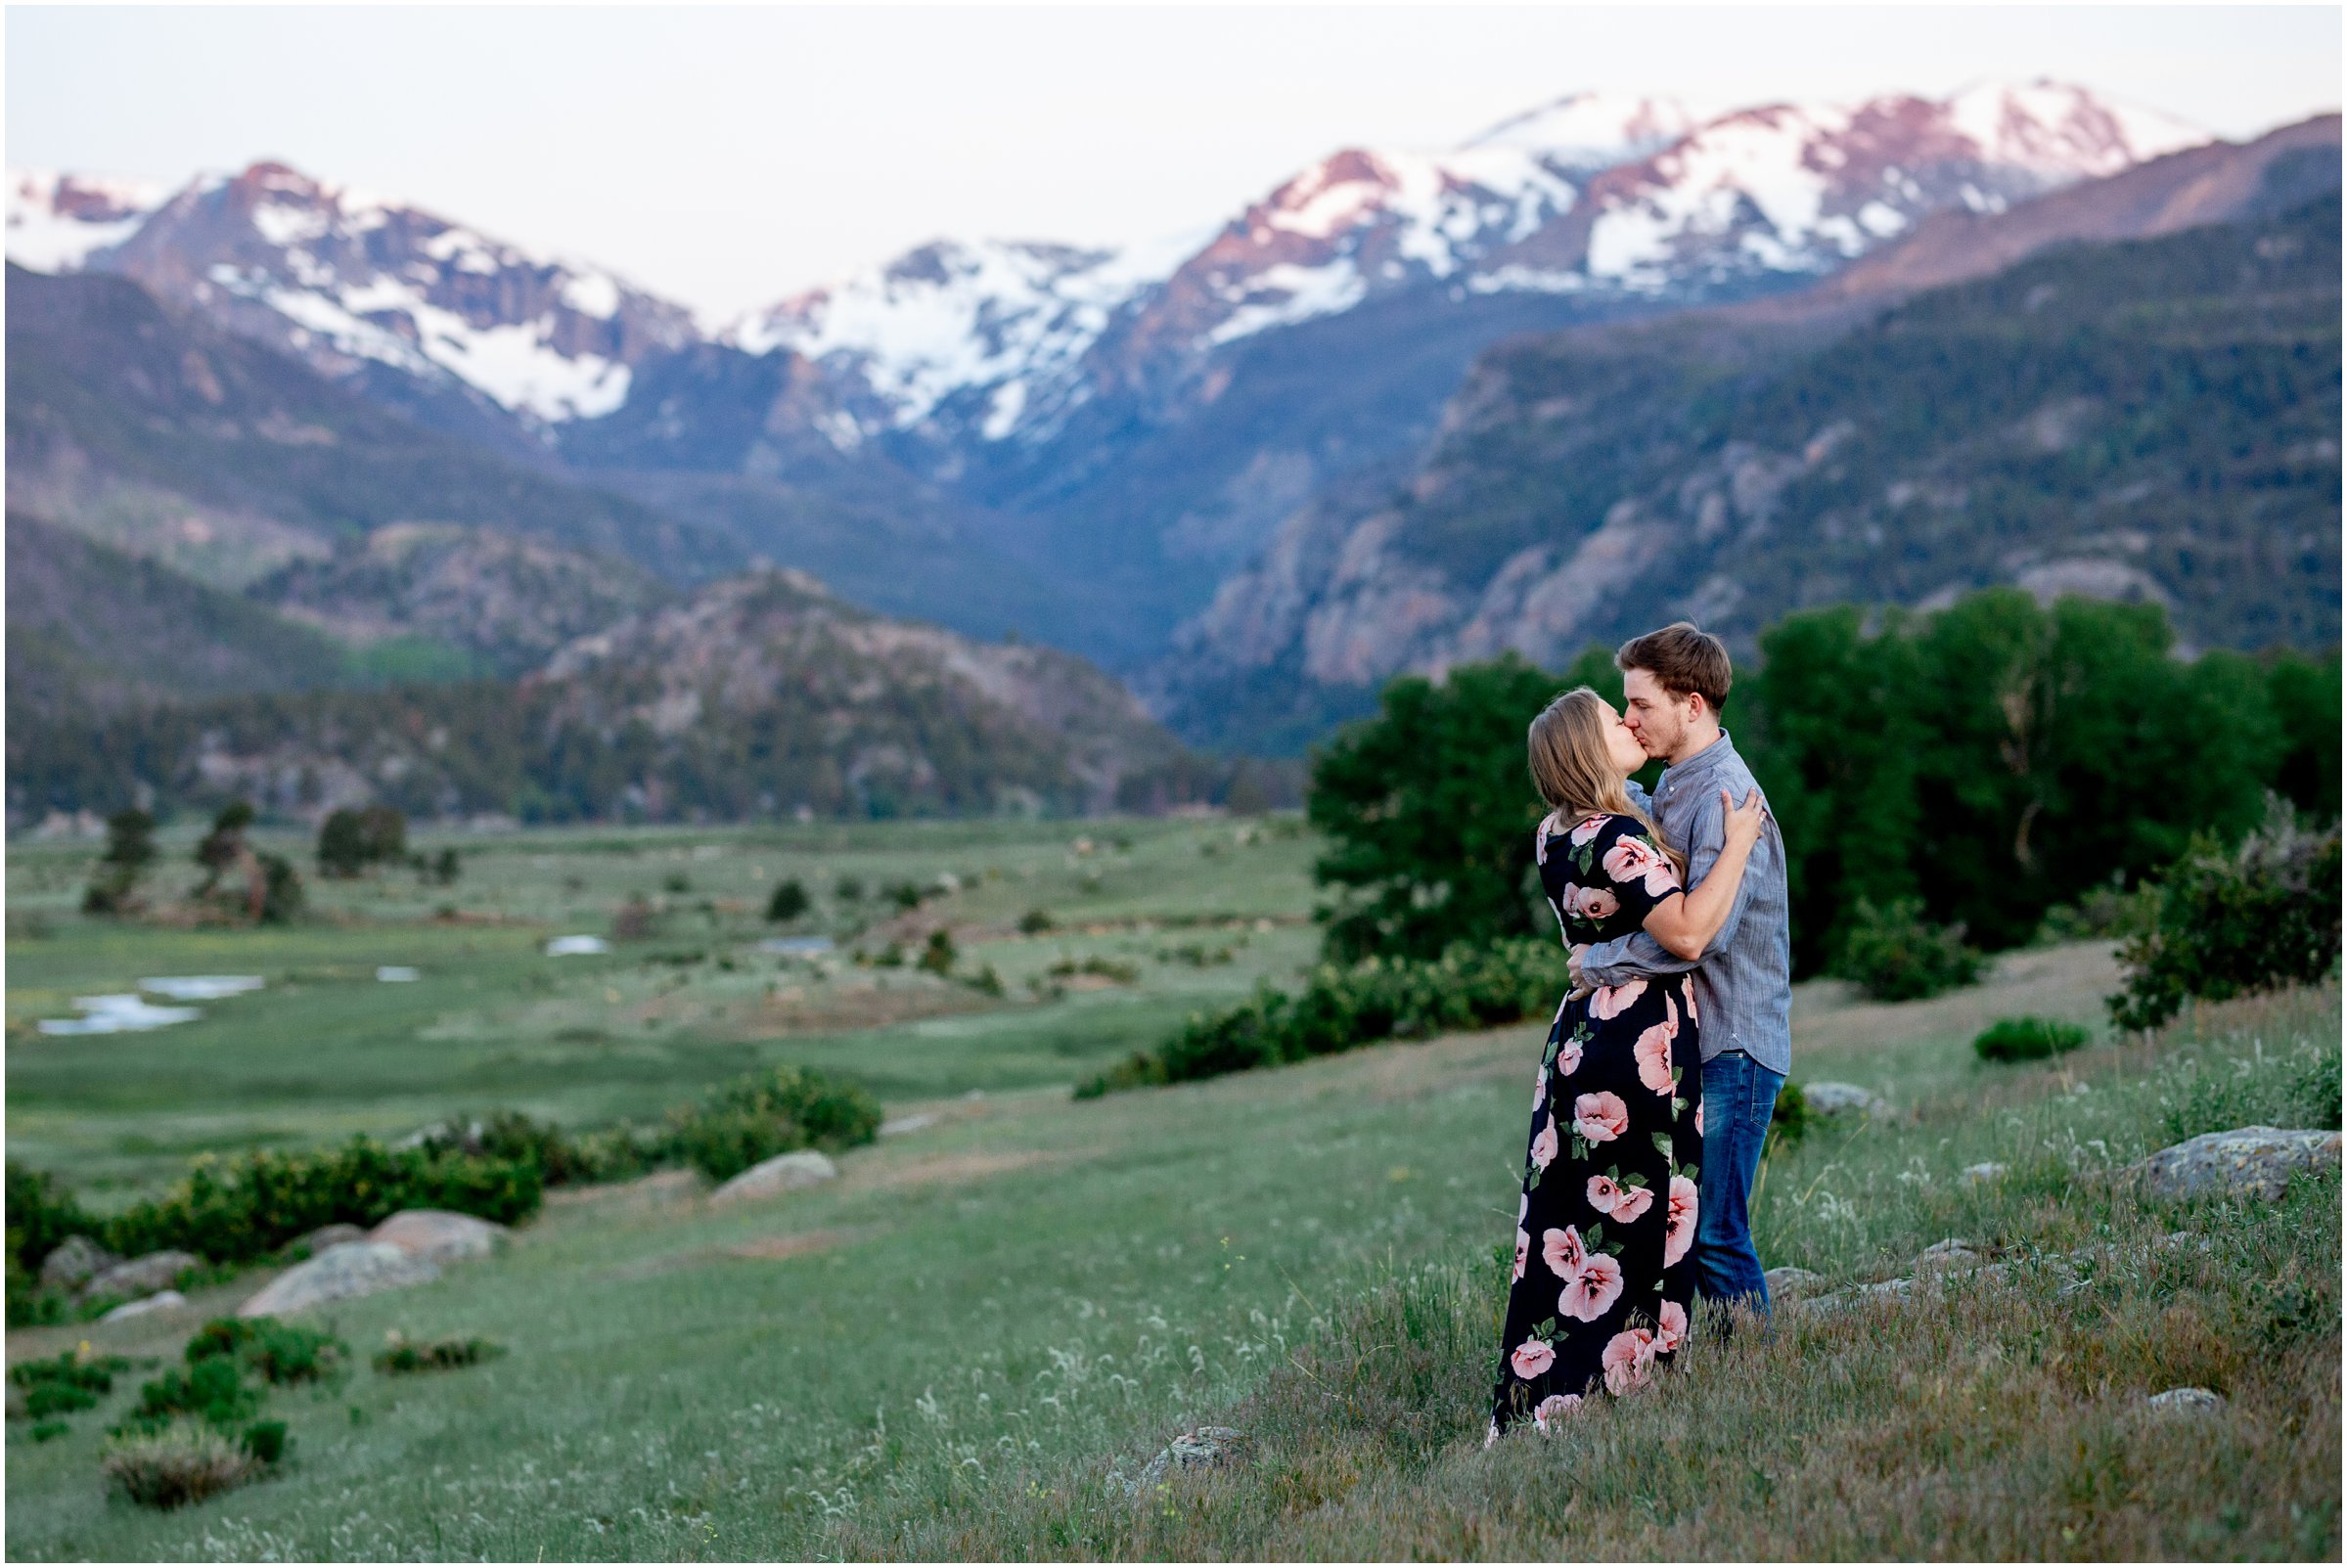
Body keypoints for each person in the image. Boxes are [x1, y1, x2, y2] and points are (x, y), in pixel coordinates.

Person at [1489, 686, 1766, 1441]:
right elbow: (1685, 934)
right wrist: (1738, 839)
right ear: (1588, 746)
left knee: (1574, 1214)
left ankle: (1543, 1388)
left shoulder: (1553, 834)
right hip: (1637, 1039)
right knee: (1643, 1213)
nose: (1628, 721)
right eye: (1614, 720)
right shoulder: (1615, 836)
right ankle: (1625, 1381)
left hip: (1578, 1039)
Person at [1574, 622, 1792, 1322]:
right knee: (1683, 1230)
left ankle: (1759, 1377)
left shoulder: (1727, 796)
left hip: (1735, 1043)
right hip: (1695, 1048)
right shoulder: (1673, 783)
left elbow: (1702, 936)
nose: (1630, 717)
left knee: (1715, 1233)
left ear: (1691, 704)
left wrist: (1599, 963)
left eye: (1640, 703)